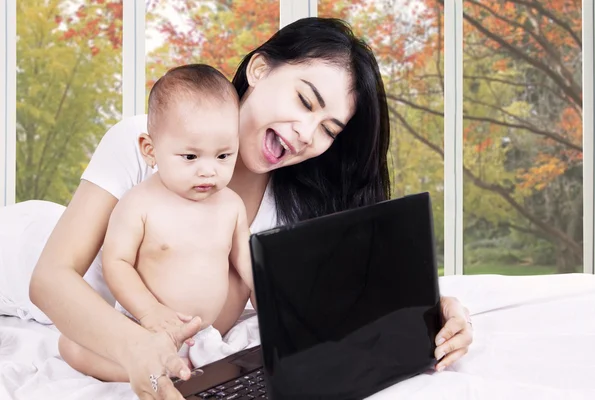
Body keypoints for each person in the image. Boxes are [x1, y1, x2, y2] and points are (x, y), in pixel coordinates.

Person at [16, 17, 472, 400]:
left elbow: (351, 297)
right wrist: (136, 346)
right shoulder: (150, 143)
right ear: (259, 69)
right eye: (304, 100)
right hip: (27, 248)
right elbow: (49, 279)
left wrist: (435, 312)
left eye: (329, 129)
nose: (306, 132)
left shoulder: (298, 204)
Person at [57, 64, 256, 382]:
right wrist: (150, 311)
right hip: (147, 329)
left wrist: (271, 300)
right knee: (70, 345)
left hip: (209, 334)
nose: (208, 170)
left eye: (223, 156)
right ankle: (149, 370)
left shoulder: (231, 205)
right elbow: (117, 262)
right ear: (150, 150)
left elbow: (246, 260)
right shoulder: (139, 203)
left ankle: (189, 367)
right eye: (191, 157)